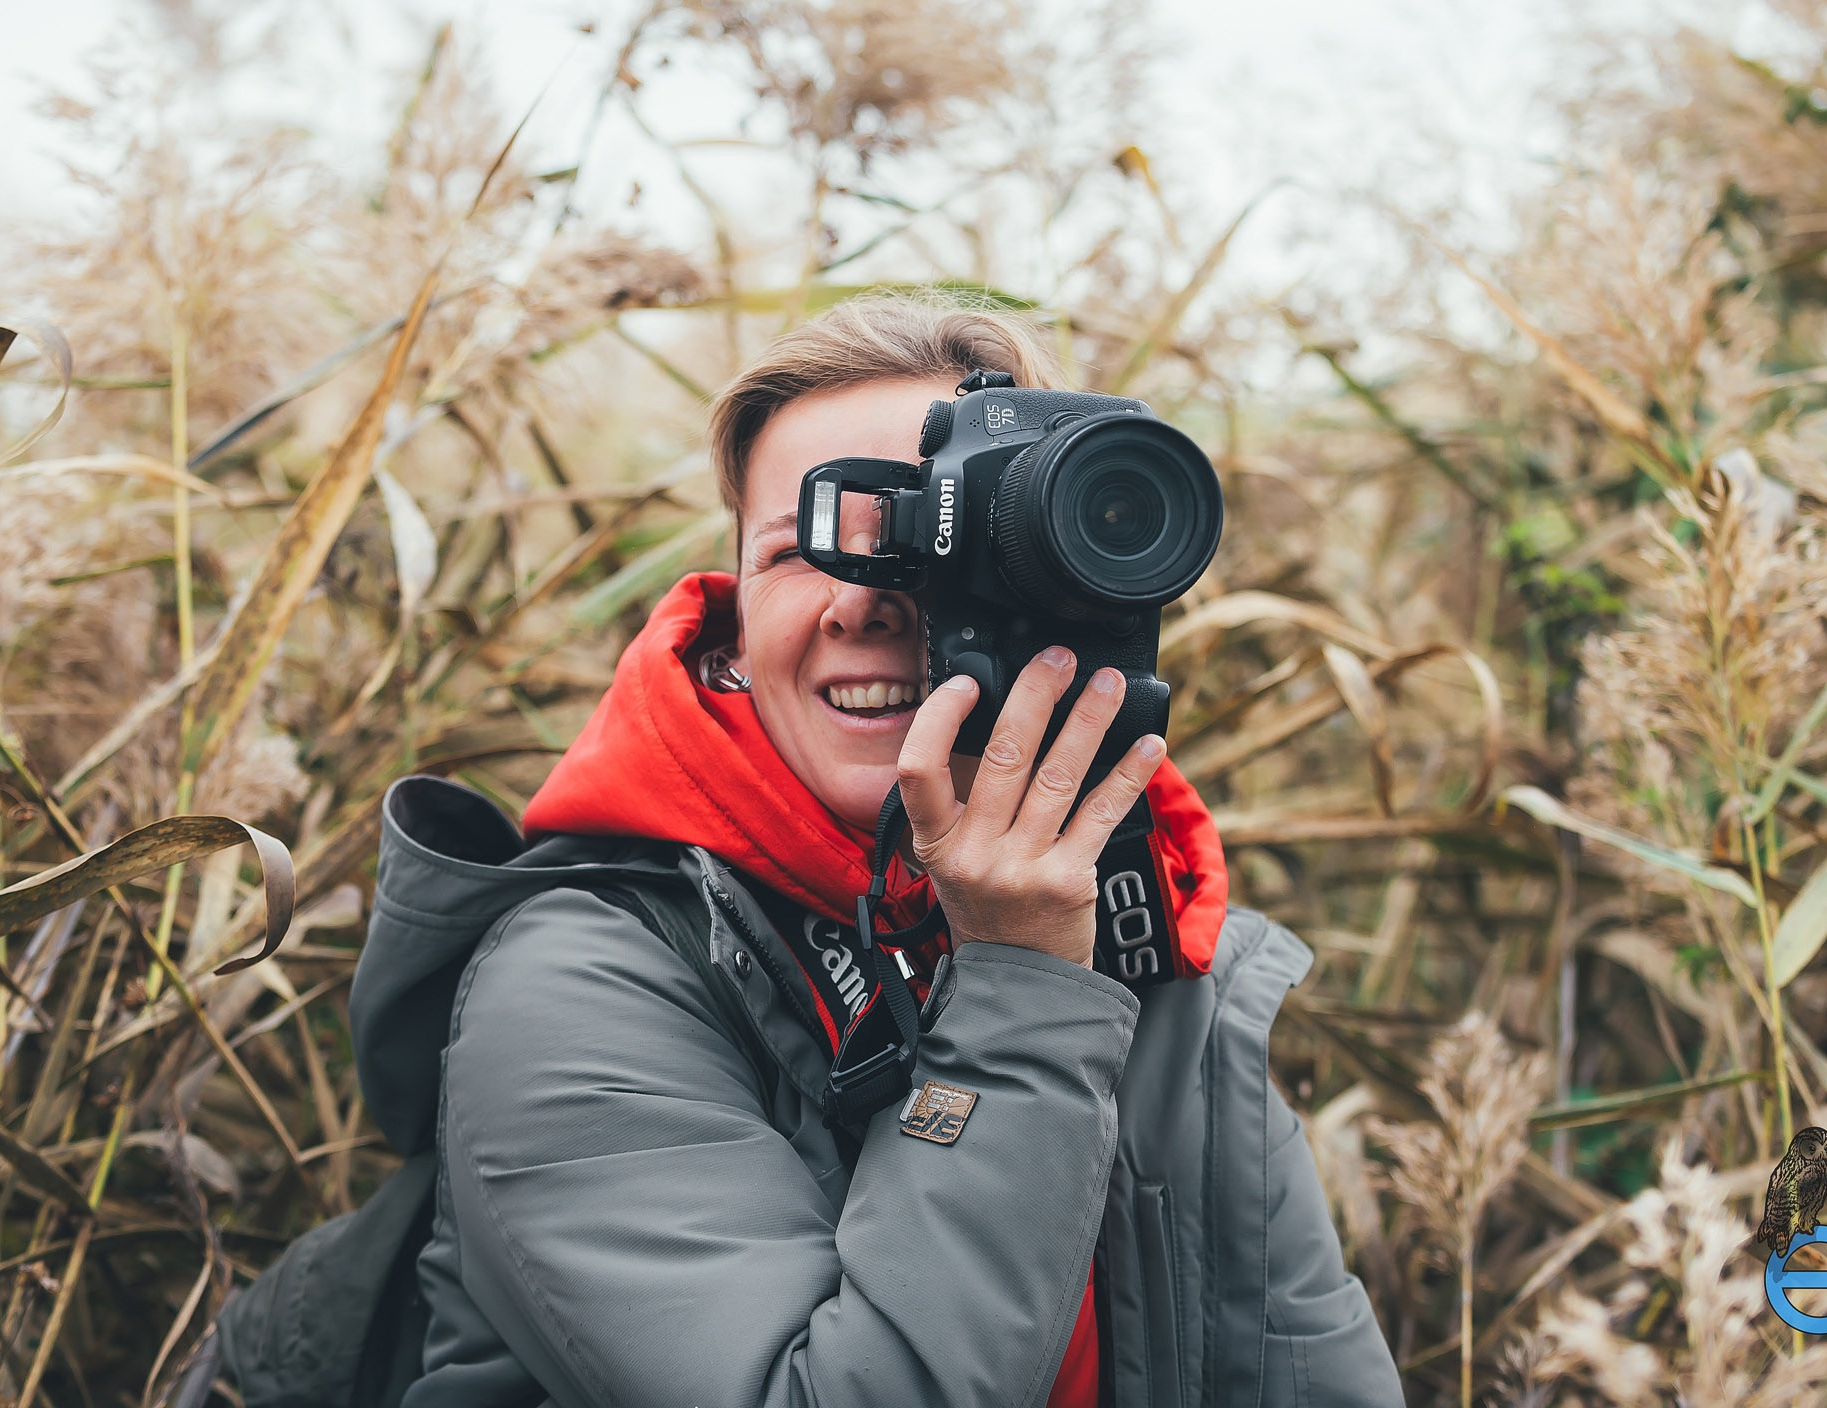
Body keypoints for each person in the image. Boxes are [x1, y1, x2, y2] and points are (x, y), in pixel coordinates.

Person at [347, 296, 1405, 1407]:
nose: (864, 598)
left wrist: (1049, 950)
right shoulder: (582, 978)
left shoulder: (1155, 941)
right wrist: (1025, 981)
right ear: (736, 616)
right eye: (803, 544)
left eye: (932, 540)